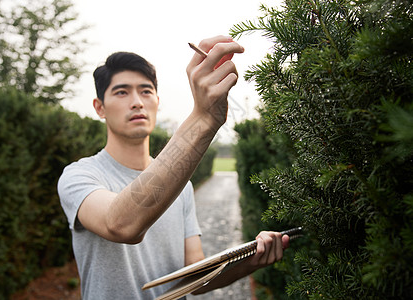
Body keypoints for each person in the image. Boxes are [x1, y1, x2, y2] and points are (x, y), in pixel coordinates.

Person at [58, 35, 289, 299]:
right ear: (100, 107)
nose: (137, 101)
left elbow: (195, 276)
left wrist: (252, 259)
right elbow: (120, 224)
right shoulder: (79, 176)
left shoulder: (182, 187)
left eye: (146, 91)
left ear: (157, 101)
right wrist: (203, 118)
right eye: (121, 92)